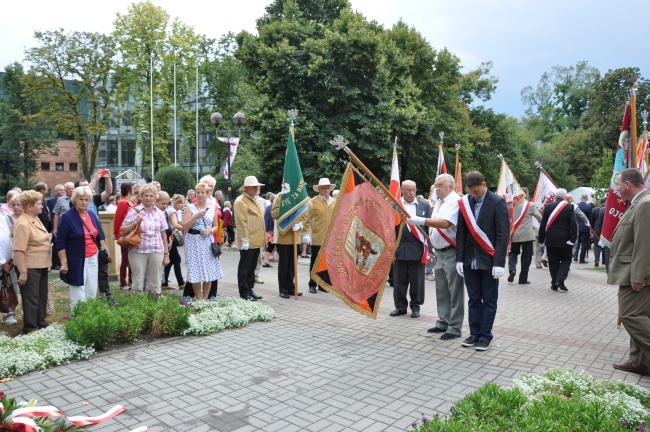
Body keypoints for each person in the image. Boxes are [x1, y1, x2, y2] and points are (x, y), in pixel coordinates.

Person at [456, 171, 509, 351]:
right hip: (470, 260)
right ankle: (474, 334)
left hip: (489, 260)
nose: (474, 195)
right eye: (471, 191)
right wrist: (459, 259)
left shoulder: (497, 202)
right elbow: (461, 232)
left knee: (489, 300)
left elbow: (502, 235)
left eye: (477, 191)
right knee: (473, 299)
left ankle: (485, 336)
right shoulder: (465, 202)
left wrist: (499, 263)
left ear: (484, 185)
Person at [408, 174, 463, 340]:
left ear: (450, 187)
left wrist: (420, 220)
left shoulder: (455, 201)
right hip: (440, 252)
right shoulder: (439, 202)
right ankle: (443, 321)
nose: (437, 188)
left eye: (440, 186)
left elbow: (446, 223)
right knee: (442, 290)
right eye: (436, 185)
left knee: (455, 291)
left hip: (451, 251)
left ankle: (454, 327)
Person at [608, 168, 650, 376]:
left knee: (631, 315)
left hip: (636, 275)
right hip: (631, 271)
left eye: (618, 184)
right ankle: (639, 362)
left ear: (627, 184)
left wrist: (638, 276)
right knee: (638, 315)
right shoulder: (639, 203)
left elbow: (644, 243)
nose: (616, 189)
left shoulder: (645, 204)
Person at [56, 186, 110, 312]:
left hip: (93, 256)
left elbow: (98, 234)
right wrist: (64, 262)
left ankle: (89, 314)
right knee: (78, 289)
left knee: (91, 287)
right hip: (76, 258)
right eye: (81, 199)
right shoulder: (67, 217)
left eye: (87, 199)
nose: (84, 202)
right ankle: (78, 317)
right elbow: (60, 241)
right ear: (75, 200)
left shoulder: (91, 214)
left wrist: (106, 249)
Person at [390, 180, 431, 319]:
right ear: (401, 190)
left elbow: (428, 229)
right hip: (399, 248)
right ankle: (400, 307)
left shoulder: (424, 205)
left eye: (413, 190)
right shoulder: (394, 205)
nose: (411, 193)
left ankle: (415, 307)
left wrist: (429, 249)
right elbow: (389, 229)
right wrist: (390, 250)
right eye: (408, 190)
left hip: (417, 247)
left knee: (417, 281)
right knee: (399, 280)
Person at [13, 190, 51, 334]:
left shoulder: (35, 218)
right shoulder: (23, 224)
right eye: (39, 203)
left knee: (41, 295)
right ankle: (30, 326)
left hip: (41, 265)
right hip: (29, 267)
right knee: (31, 297)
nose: (42, 206)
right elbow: (18, 250)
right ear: (29, 206)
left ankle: (40, 321)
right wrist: (23, 272)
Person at [120, 184, 170, 293]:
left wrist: (166, 254)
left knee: (155, 282)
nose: (148, 198)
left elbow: (164, 235)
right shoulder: (134, 211)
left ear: (155, 197)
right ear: (141, 196)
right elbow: (122, 231)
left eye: (151, 196)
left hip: (156, 250)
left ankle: (154, 305)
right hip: (138, 250)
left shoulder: (160, 213)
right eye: (146, 195)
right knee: (137, 281)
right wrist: (136, 221)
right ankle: (138, 306)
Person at [181, 183, 224, 300]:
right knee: (195, 270)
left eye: (202, 192)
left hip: (207, 241)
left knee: (208, 270)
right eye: (198, 192)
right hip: (193, 241)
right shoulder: (190, 207)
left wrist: (210, 230)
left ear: (207, 194)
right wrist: (196, 216)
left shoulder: (212, 207)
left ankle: (205, 299)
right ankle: (199, 299)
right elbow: (184, 226)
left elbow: (216, 226)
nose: (200, 195)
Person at [538, 188, 577, 292]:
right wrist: (573, 238)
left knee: (553, 261)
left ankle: (554, 283)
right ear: (565, 197)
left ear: (555, 196)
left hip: (551, 238)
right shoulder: (569, 207)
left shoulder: (548, 207)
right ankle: (559, 280)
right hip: (565, 239)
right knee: (566, 259)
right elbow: (573, 224)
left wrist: (541, 238)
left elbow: (543, 224)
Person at [234, 176, 266, 301]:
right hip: (248, 240)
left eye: (257, 186)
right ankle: (244, 293)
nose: (257, 188)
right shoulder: (241, 201)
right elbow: (241, 222)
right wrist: (244, 240)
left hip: (256, 239)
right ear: (246, 188)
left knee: (252, 267)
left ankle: (250, 289)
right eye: (254, 187)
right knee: (245, 268)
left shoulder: (254, 199)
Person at [271, 190, 307, 299]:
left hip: (295, 236)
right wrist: (288, 209)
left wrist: (300, 225)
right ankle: (283, 289)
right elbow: (274, 213)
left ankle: (291, 287)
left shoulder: (299, 196)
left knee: (292, 264)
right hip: (284, 236)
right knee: (284, 265)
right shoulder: (280, 196)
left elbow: (304, 215)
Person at [302, 178, 336, 294]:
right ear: (319, 189)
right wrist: (305, 234)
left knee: (327, 263)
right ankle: (312, 283)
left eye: (328, 188)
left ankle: (324, 284)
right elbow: (306, 219)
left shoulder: (334, 202)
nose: (326, 190)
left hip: (330, 238)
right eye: (324, 188)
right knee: (315, 262)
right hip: (317, 237)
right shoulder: (312, 202)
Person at [507, 187, 542, 284]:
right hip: (527, 235)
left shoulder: (511, 205)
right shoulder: (530, 205)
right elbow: (539, 217)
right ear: (526, 194)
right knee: (526, 257)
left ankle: (512, 270)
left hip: (514, 234)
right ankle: (523, 279)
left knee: (513, 254)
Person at [3, 194, 23, 325]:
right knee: (9, 286)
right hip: (10, 258)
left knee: (25, 287)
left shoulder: (28, 219)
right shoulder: (5, 220)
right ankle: (9, 313)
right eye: (13, 205)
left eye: (18, 204)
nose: (15, 207)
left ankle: (27, 312)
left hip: (24, 258)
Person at [114, 182, 134, 290]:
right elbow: (118, 219)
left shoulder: (130, 202)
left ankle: (131, 279)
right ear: (129, 190)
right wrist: (117, 233)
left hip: (130, 234)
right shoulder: (123, 203)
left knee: (131, 258)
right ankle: (123, 282)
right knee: (126, 259)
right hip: (125, 234)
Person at [164, 194, 186, 290]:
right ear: (175, 203)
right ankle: (181, 282)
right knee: (177, 259)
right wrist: (185, 228)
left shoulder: (169, 209)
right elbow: (174, 224)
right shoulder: (172, 211)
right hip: (170, 237)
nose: (182, 205)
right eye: (181, 203)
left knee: (171, 260)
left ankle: (164, 282)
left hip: (168, 236)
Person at [575, 194, 592, 263]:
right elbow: (589, 218)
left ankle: (575, 256)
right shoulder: (588, 207)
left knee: (577, 243)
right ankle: (581, 259)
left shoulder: (576, 206)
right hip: (585, 228)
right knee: (584, 244)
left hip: (576, 227)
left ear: (580, 198)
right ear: (587, 199)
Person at [591, 197, 606, 267]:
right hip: (605, 230)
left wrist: (592, 229)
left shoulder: (595, 210)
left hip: (596, 230)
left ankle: (596, 260)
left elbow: (592, 221)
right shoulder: (608, 209)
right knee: (605, 245)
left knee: (597, 246)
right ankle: (604, 260)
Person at [262, 195, 276, 266]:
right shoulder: (274, 208)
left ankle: (267, 260)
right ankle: (266, 261)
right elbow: (273, 220)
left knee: (270, 246)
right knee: (271, 247)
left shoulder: (267, 208)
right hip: (272, 230)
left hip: (267, 230)